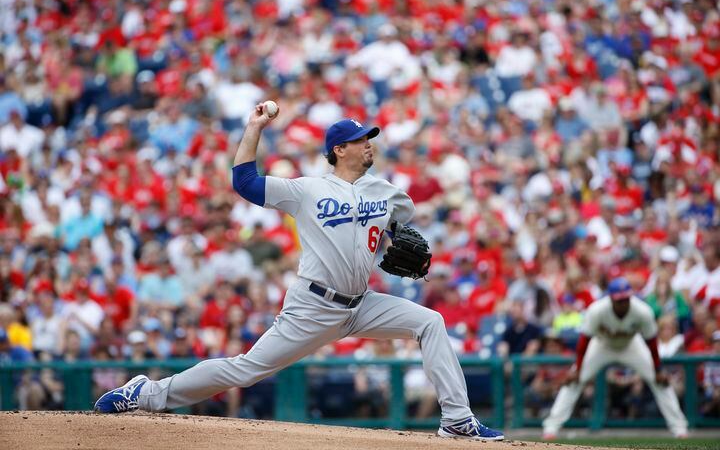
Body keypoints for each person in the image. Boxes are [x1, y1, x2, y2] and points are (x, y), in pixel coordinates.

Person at [94, 106, 504, 441]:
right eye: (362, 139)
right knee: (246, 369)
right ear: (339, 149)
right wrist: (254, 127)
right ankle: (147, 394)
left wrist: (389, 243)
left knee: (430, 322)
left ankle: (456, 420)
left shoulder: (387, 193)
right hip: (313, 306)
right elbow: (245, 182)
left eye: (370, 138)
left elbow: (395, 228)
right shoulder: (307, 190)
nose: (369, 144)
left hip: (362, 304)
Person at [542, 277, 688, 439]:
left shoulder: (642, 311)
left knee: (658, 379)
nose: (624, 303)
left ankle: (680, 429)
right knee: (574, 380)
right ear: (610, 298)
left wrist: (658, 369)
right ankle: (551, 428)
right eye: (620, 300)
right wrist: (578, 367)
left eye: (626, 298)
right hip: (601, 345)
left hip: (631, 346)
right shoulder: (597, 310)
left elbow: (651, 342)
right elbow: (584, 341)